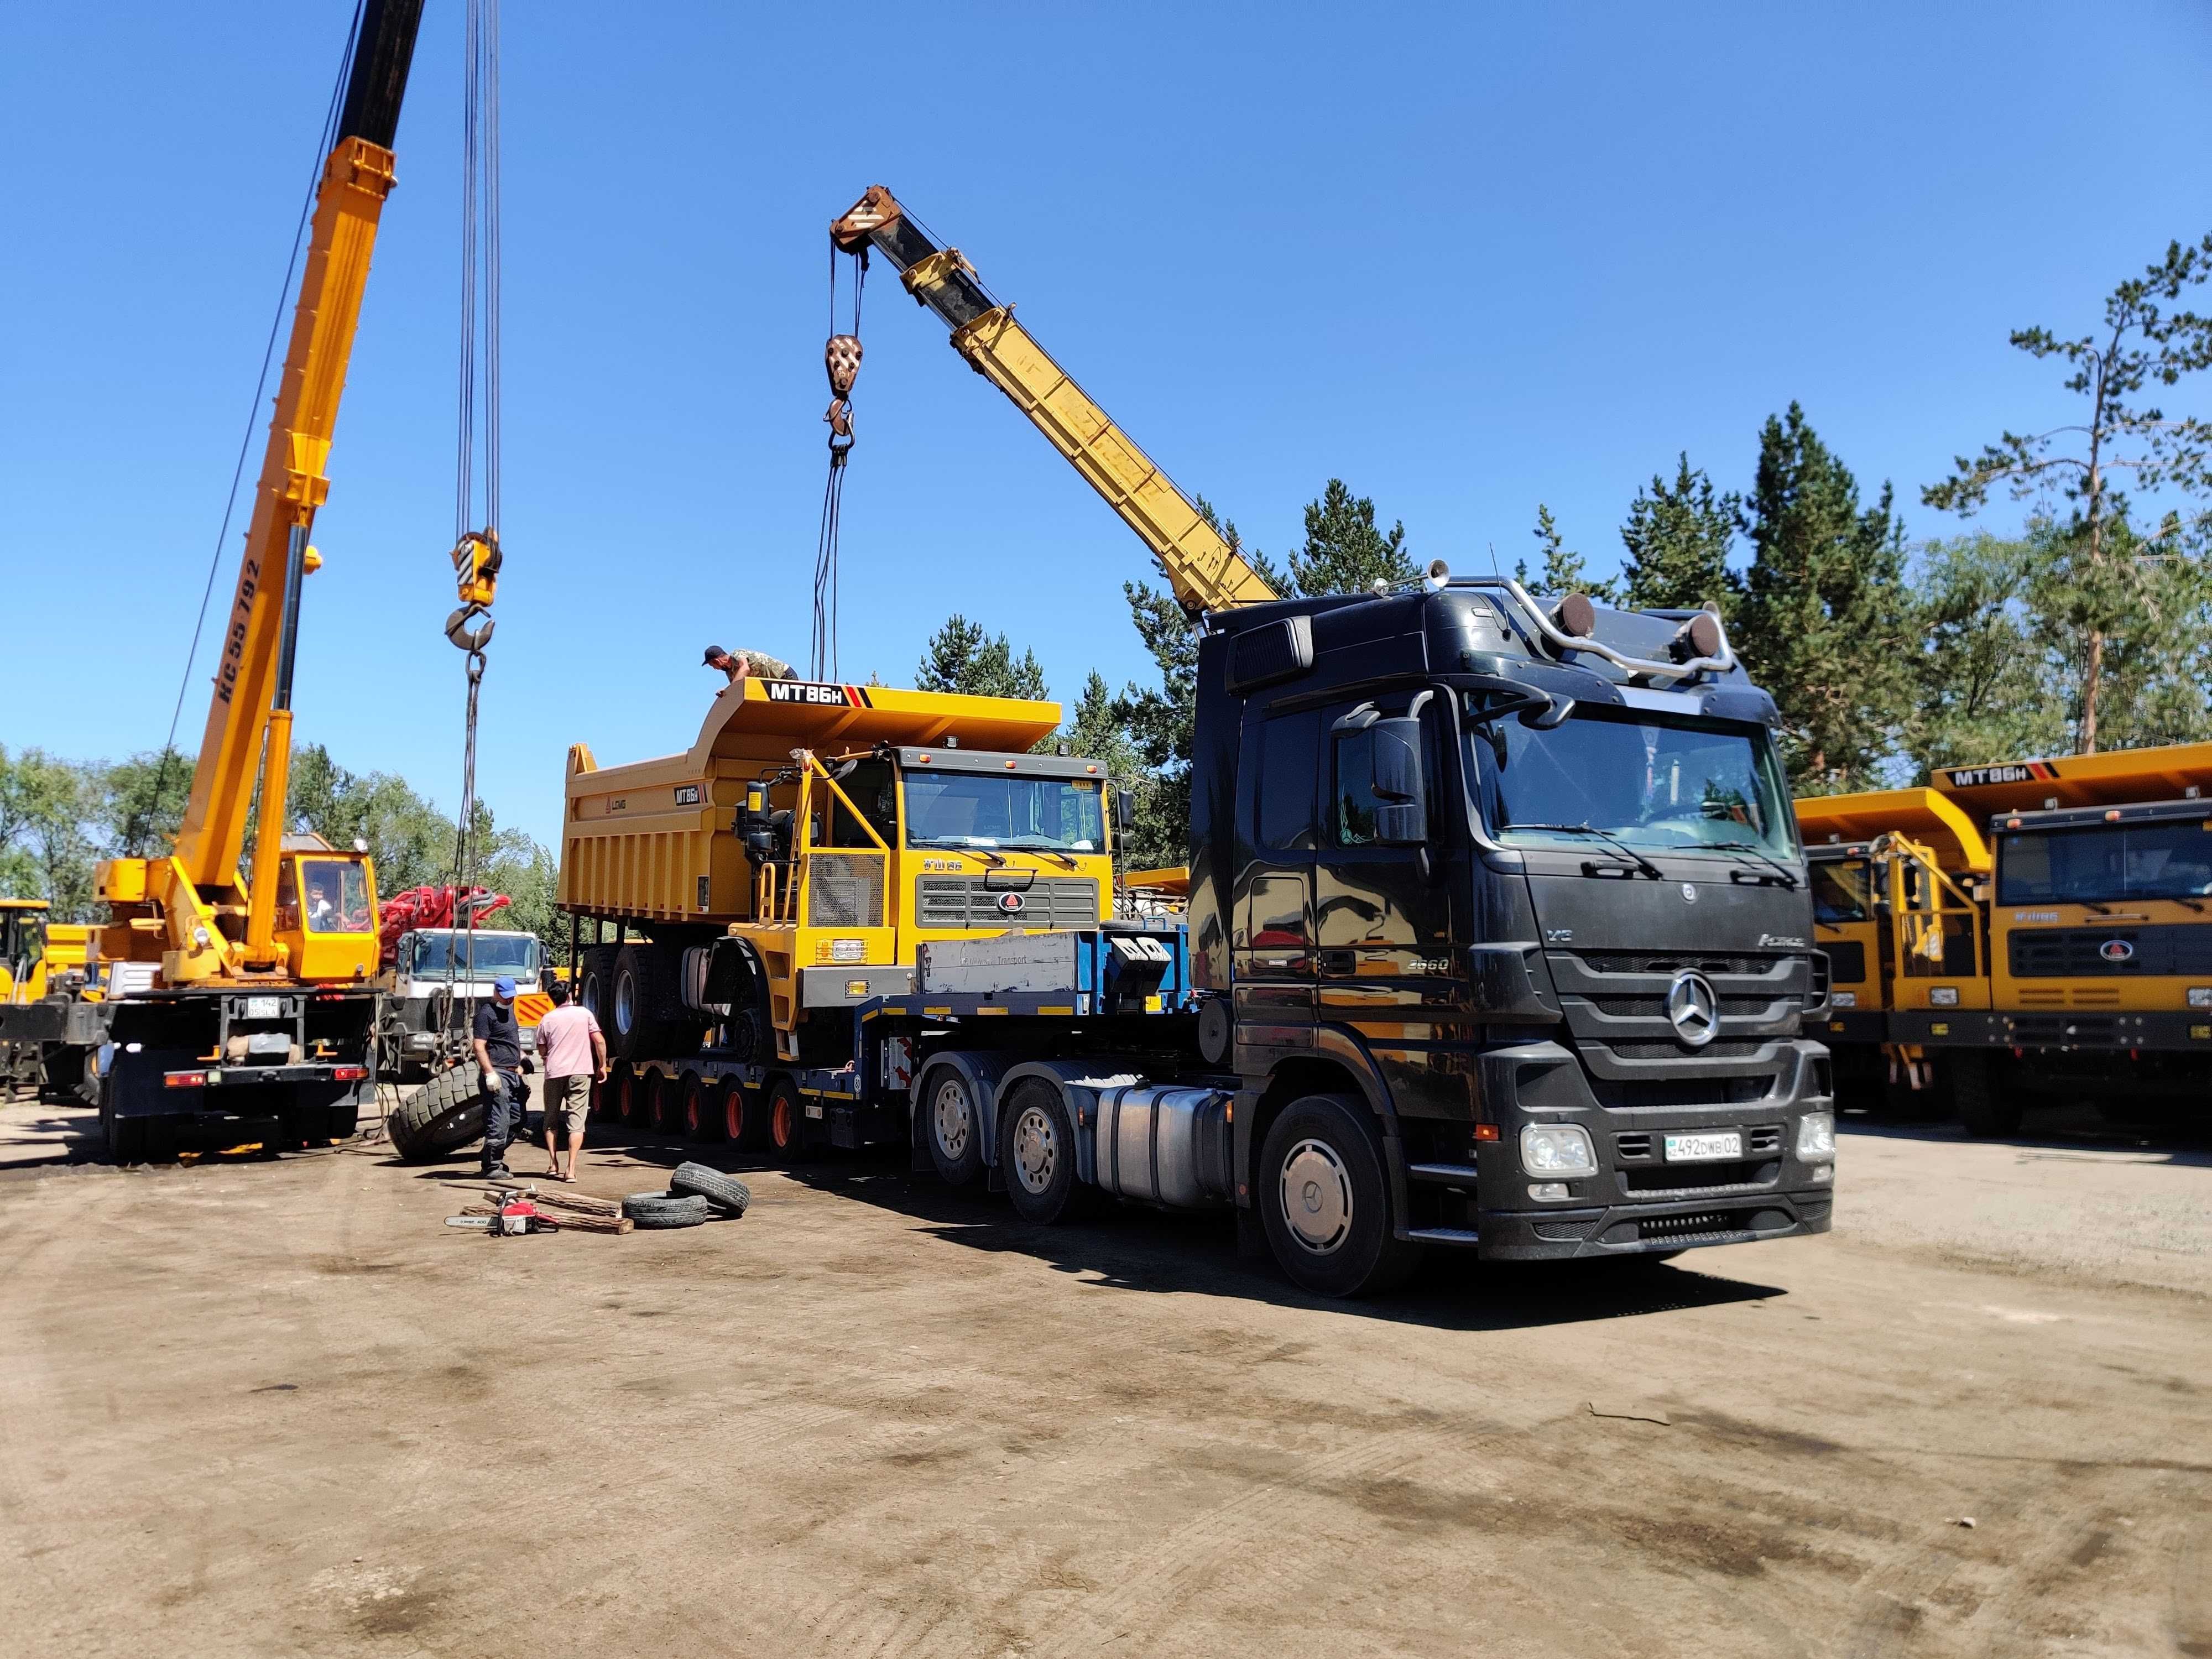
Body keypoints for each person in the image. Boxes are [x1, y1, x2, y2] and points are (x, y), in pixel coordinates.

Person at [533, 979, 608, 1182]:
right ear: (569, 996)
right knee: (576, 1124)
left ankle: (553, 1164)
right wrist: (601, 1065)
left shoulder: (546, 1019)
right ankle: (571, 1170)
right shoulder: (584, 1014)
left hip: (555, 1073)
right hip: (581, 1073)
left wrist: (548, 1054)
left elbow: (542, 1050)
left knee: (550, 1121)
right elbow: (599, 1040)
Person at [472, 976, 531, 1180]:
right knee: (499, 1120)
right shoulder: (486, 1014)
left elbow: (508, 1042)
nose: (508, 1001)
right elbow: (479, 1046)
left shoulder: (510, 1012)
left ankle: (490, 1157)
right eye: (504, 997)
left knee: (517, 1119)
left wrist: (522, 1058)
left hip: (513, 1074)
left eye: (511, 997)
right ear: (496, 993)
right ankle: (492, 1166)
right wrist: (490, 1073)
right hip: (498, 1074)